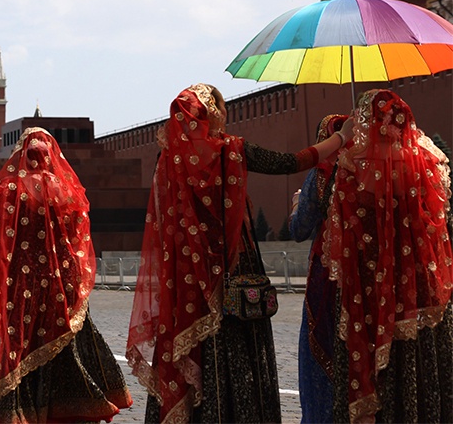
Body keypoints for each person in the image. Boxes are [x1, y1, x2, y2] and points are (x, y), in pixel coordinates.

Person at [126, 83, 353, 424]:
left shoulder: (168, 158)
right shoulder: (231, 150)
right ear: (214, 112)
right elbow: (290, 162)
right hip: (236, 267)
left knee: (196, 345)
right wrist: (341, 138)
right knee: (237, 345)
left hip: (188, 277)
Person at [0, 127, 133, 423]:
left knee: (11, 343)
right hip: (58, 284)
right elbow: (78, 238)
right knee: (64, 341)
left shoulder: (5, 191)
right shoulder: (65, 191)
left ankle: (12, 410)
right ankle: (67, 405)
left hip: (13, 285)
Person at [323, 89, 453, 423]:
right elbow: (444, 223)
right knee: (420, 365)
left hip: (367, 292)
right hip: (420, 289)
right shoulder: (429, 162)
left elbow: (340, 236)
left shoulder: (351, 166)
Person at [289, 113, 347, 424]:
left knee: (320, 353)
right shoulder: (372, 168)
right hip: (368, 278)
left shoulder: (323, 171)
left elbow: (299, 228)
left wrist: (297, 204)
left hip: (326, 279)